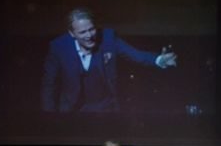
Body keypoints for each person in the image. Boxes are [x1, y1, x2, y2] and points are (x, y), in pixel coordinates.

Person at [42, 7, 178, 113]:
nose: (89, 35)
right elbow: (49, 84)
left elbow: (136, 55)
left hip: (106, 108)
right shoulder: (58, 47)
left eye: (92, 29)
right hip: (72, 110)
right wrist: (49, 115)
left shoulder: (108, 38)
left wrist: (159, 60)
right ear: (72, 33)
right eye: (82, 32)